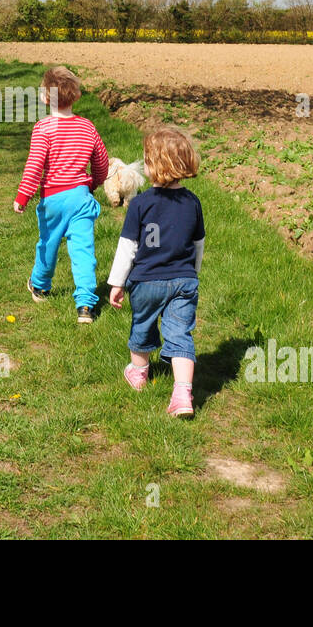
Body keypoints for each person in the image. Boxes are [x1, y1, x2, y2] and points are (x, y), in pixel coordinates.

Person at [107, 127, 205, 417]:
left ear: (155, 167)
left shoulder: (140, 204)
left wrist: (117, 283)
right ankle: (182, 394)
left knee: (143, 324)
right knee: (181, 334)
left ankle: (138, 372)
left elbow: (128, 248)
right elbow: (197, 244)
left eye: (147, 160)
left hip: (146, 281)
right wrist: (193, 272)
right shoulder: (192, 203)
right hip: (184, 281)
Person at [13, 66, 109, 324]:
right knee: (83, 251)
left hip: (54, 199)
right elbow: (101, 161)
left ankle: (41, 285)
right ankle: (86, 305)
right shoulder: (87, 127)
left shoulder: (43, 129)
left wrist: (23, 196)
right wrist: (95, 183)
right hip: (81, 198)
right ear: (76, 96)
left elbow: (34, 167)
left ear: (45, 98)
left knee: (48, 243)